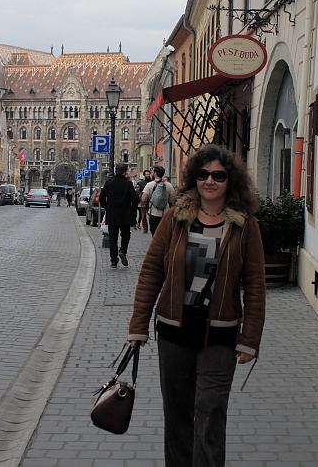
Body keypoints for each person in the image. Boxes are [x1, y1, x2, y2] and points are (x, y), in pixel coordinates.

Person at [128, 144, 266, 467]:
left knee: (210, 414)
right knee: (177, 417)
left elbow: (255, 287)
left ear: (230, 180)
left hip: (220, 335)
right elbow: (151, 272)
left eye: (218, 175)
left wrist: (250, 338)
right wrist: (138, 326)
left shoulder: (245, 227)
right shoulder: (176, 219)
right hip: (174, 332)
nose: (210, 181)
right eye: (203, 174)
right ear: (194, 178)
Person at [100, 163, 140, 268]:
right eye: (127, 171)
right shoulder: (128, 185)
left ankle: (113, 261)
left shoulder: (109, 183)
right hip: (125, 215)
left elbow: (101, 198)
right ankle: (122, 250)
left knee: (113, 238)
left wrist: (107, 207)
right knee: (126, 235)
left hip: (112, 215)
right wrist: (132, 209)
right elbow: (136, 199)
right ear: (124, 172)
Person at [141, 166, 176, 236]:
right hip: (165, 213)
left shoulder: (149, 185)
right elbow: (173, 199)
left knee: (155, 234)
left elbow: (143, 199)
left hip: (153, 213)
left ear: (155, 173)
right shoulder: (169, 185)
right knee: (164, 234)